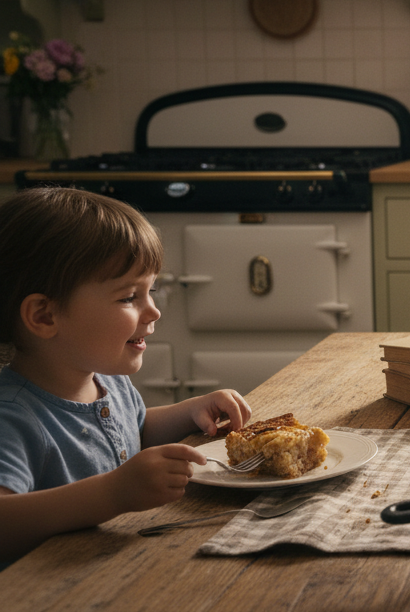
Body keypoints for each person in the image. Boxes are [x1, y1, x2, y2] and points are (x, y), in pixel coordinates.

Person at [0, 187, 252, 562]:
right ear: (44, 316)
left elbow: (132, 431)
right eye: (128, 297)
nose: (153, 312)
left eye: (150, 291)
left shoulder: (107, 381)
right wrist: (111, 494)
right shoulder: (12, 417)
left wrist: (189, 412)